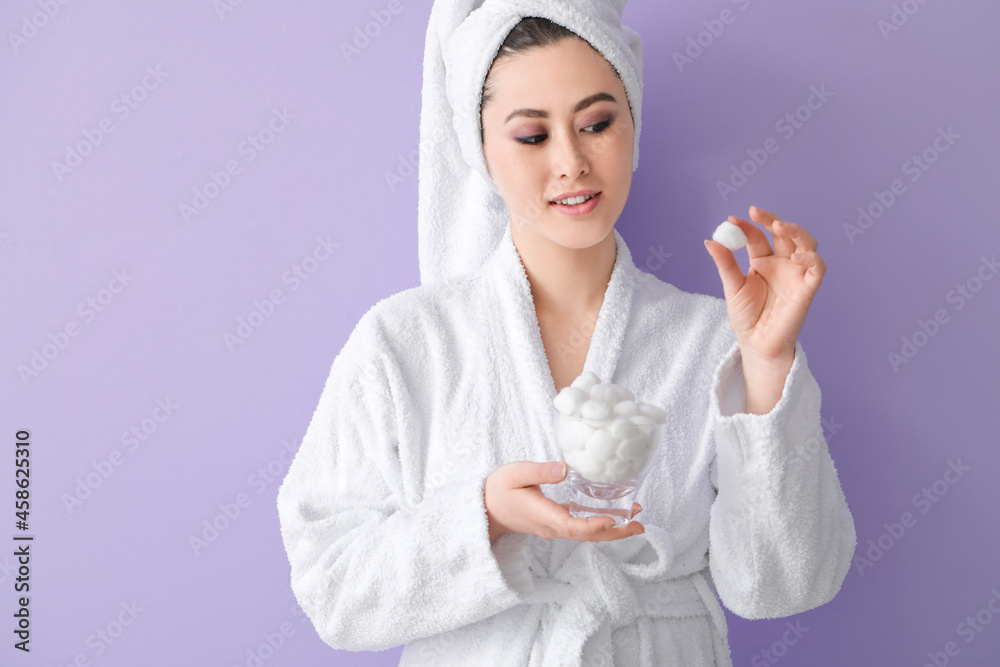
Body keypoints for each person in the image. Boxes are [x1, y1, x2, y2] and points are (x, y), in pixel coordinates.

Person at [276, 3, 857, 666]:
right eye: (531, 136)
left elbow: (784, 584)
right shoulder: (405, 345)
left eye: (598, 123)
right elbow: (332, 588)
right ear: (481, 148)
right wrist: (483, 515)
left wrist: (767, 362)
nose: (572, 162)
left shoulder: (713, 341)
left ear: (632, 126)